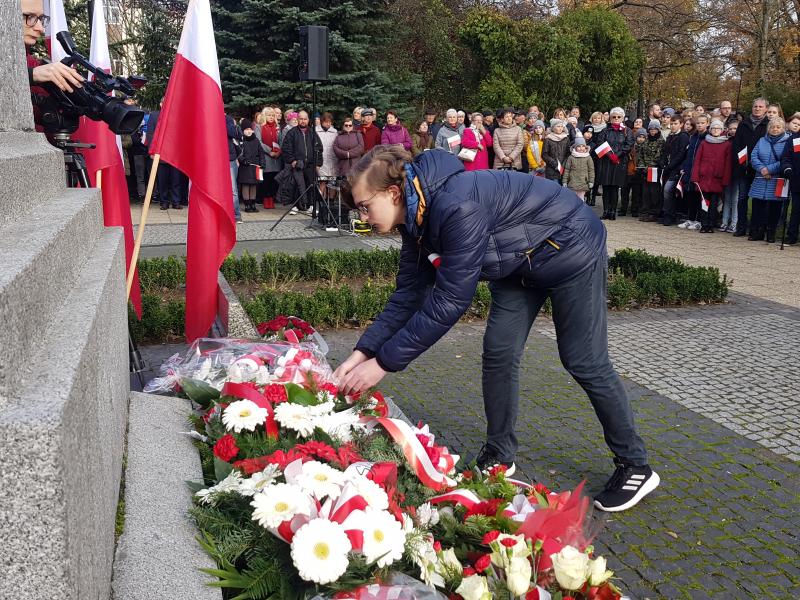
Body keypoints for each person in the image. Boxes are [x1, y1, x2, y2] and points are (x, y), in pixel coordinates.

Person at [335, 146, 659, 513]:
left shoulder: (456, 205)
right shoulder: (415, 216)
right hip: (519, 262)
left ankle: (635, 464)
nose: (362, 216)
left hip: (571, 249)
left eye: (364, 206)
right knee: (499, 353)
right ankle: (500, 453)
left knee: (583, 360)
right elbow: (410, 293)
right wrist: (362, 353)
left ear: (393, 193)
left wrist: (383, 364)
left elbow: (449, 302)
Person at [748, 118, 790, 243]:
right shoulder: (761, 140)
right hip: (761, 178)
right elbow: (753, 156)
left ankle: (771, 233)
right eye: (772, 127)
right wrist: (762, 169)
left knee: (775, 207)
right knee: (757, 206)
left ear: (783, 128)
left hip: (776, 179)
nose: (775, 129)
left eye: (778, 127)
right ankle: (757, 231)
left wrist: (769, 169)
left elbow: (785, 159)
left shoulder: (787, 142)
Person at [731, 98, 769, 237]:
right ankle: (741, 227)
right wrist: (740, 162)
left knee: (758, 200)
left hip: (759, 168)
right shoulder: (744, 124)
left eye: (760, 106)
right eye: (755, 106)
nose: (757, 109)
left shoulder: (768, 124)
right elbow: (736, 145)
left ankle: (756, 229)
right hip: (743, 167)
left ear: (765, 109)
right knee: (742, 198)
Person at [593, 107, 634, 220]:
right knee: (606, 186)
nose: (616, 119)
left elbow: (629, 144)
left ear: (622, 118)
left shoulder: (627, 131)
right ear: (610, 118)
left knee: (615, 187)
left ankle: (612, 211)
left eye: (618, 117)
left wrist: (618, 155)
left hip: (619, 163)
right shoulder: (605, 130)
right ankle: (606, 210)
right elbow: (600, 143)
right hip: (606, 162)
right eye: (613, 117)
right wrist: (610, 155)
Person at [690, 119, 731, 233]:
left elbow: (728, 164)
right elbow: (697, 160)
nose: (715, 130)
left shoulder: (726, 144)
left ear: (722, 130)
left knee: (714, 204)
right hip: (704, 178)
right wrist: (695, 177)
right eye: (713, 128)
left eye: (718, 128)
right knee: (704, 202)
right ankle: (704, 224)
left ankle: (710, 224)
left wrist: (725, 180)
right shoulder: (704, 143)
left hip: (717, 178)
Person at [281, 110, 323, 215]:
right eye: (301, 119)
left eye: (305, 119)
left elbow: (319, 148)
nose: (303, 121)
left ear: (308, 120)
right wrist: (292, 160)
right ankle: (295, 206)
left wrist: (318, 163)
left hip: (310, 165)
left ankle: (311, 206)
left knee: (311, 185)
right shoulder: (292, 133)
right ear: (297, 119)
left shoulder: (313, 133)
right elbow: (286, 149)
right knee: (296, 185)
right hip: (297, 164)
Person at [677, 115, 709, 230]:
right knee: (689, 195)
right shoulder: (693, 137)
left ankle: (699, 220)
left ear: (707, 124)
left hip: (700, 172)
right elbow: (688, 154)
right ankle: (690, 219)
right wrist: (684, 166)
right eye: (698, 123)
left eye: (702, 123)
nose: (700, 125)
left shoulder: (707, 138)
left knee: (698, 196)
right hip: (689, 169)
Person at [660, 117, 691, 225]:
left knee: (668, 190)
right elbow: (665, 151)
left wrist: (671, 165)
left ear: (681, 124)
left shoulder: (683, 136)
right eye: (672, 123)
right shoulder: (670, 136)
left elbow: (681, 154)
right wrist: (663, 162)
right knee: (666, 191)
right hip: (668, 168)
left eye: (675, 123)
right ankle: (667, 214)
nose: (673, 125)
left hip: (676, 169)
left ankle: (670, 215)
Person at [631, 121, 664, 220]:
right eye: (651, 129)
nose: (653, 131)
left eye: (655, 129)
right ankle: (645, 211)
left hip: (654, 169)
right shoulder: (646, 140)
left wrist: (650, 166)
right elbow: (640, 154)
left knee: (654, 191)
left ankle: (653, 213)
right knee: (645, 191)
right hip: (644, 170)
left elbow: (659, 156)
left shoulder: (661, 141)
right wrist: (642, 166)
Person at [237, 119, 267, 213]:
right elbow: (238, 153)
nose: (249, 131)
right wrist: (243, 160)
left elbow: (261, 152)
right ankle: (247, 204)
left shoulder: (256, 140)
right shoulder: (241, 140)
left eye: (250, 129)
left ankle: (253, 204)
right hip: (245, 166)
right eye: (246, 129)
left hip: (255, 165)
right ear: (243, 130)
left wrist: (262, 163)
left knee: (254, 185)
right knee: (246, 185)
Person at [780, 112, 800, 245]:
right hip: (797, 179)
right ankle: (792, 235)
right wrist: (787, 168)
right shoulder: (795, 139)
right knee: (796, 209)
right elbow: (786, 156)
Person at [259, 107, 282, 209]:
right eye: (269, 115)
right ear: (264, 116)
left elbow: (281, 141)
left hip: (277, 158)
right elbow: (259, 142)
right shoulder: (260, 127)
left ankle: (271, 199)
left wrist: (278, 151)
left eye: (273, 115)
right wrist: (270, 151)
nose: (271, 117)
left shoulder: (278, 128)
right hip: (266, 157)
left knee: (274, 180)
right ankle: (266, 199)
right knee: (266, 180)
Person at [719, 120, 740, 232]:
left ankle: (734, 222)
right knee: (727, 198)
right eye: (730, 128)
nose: (732, 131)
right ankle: (724, 221)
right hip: (727, 172)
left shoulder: (741, 141)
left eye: (735, 128)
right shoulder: (726, 141)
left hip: (737, 173)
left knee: (735, 199)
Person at [622, 128, 646, 218]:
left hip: (638, 173)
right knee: (625, 192)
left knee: (636, 193)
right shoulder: (631, 147)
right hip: (628, 172)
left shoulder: (645, 147)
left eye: (643, 137)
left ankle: (634, 210)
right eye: (639, 137)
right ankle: (623, 209)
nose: (641, 139)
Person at [562, 134, 594, 201]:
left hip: (583, 182)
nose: (581, 148)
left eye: (583, 146)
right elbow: (567, 170)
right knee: (572, 199)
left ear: (585, 147)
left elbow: (591, 170)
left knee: (581, 199)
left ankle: (580, 211)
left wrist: (591, 181)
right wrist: (564, 181)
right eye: (579, 146)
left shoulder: (588, 157)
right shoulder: (571, 157)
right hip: (573, 182)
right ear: (575, 147)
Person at [542, 118, 570, 182]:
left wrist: (563, 164)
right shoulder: (548, 139)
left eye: (561, 126)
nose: (560, 128)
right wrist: (554, 163)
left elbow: (568, 153)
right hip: (551, 169)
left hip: (563, 168)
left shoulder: (566, 139)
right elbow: (544, 154)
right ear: (553, 127)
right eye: (558, 126)